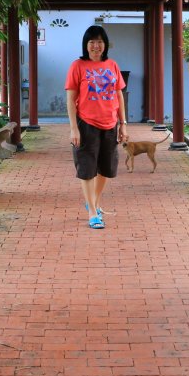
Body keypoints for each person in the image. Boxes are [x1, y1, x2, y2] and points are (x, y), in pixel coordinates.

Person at [66, 25, 127, 229]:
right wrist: (73, 128)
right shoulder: (78, 66)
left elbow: (119, 95)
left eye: (100, 41)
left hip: (110, 123)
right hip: (86, 124)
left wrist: (123, 124)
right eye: (92, 42)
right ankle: (93, 212)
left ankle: (94, 202)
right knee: (87, 168)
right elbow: (70, 98)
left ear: (105, 44)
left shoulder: (112, 65)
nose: (96, 46)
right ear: (86, 44)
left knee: (106, 168)